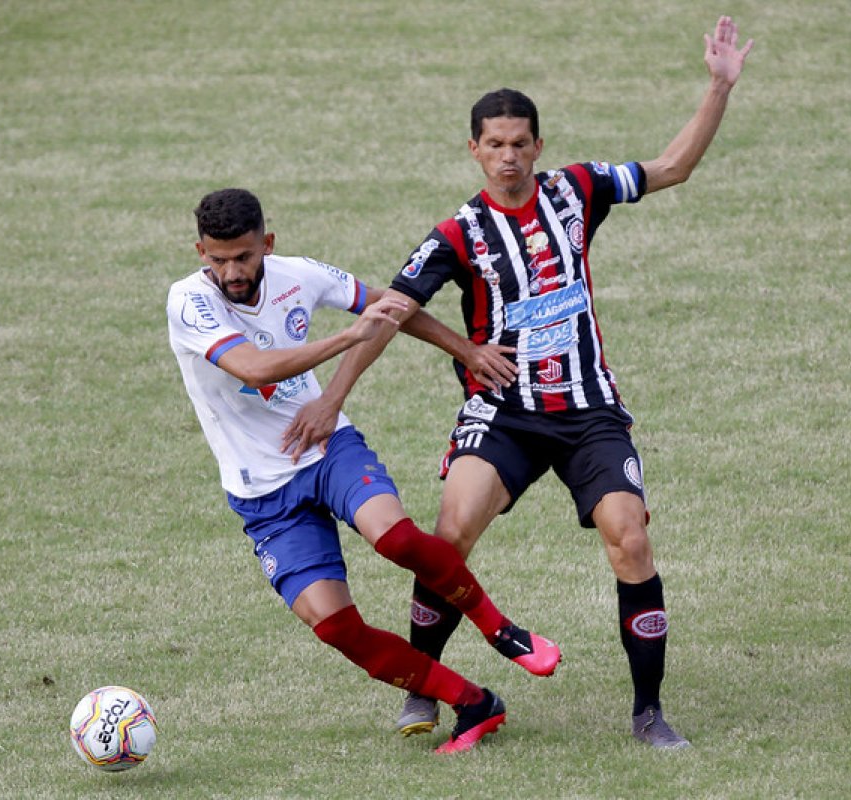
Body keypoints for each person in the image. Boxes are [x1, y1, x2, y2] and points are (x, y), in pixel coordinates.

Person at [282, 17, 754, 749]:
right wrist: (333, 396)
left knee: (629, 538)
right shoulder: (456, 235)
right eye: (493, 145)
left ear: (539, 146)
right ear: (473, 149)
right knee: (450, 533)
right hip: (503, 413)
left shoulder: (578, 192)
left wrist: (719, 87)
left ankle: (649, 712)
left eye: (519, 144)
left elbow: (671, 167)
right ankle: (422, 692)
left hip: (589, 411)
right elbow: (387, 315)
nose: (507, 157)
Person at [166, 188, 561, 754]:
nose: (231, 271)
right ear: (200, 250)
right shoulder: (188, 300)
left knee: (396, 537)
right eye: (218, 258)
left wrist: (467, 350)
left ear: (267, 245)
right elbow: (252, 369)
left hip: (327, 448)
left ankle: (502, 631)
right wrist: (349, 335)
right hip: (262, 494)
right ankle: (474, 703)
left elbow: (395, 306)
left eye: (244, 257)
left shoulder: (298, 274)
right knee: (334, 626)